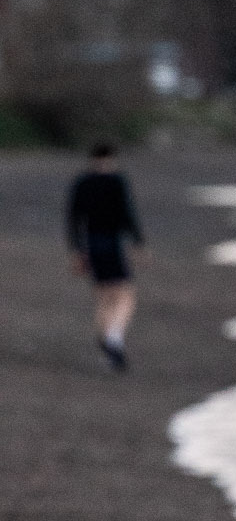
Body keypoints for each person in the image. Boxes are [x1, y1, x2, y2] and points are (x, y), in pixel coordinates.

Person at [66, 142, 145, 370]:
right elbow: (127, 214)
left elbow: (73, 219)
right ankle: (114, 336)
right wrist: (138, 243)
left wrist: (76, 251)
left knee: (103, 296)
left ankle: (108, 348)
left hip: (91, 243)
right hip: (112, 243)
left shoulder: (82, 183)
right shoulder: (116, 181)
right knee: (125, 295)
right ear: (111, 158)